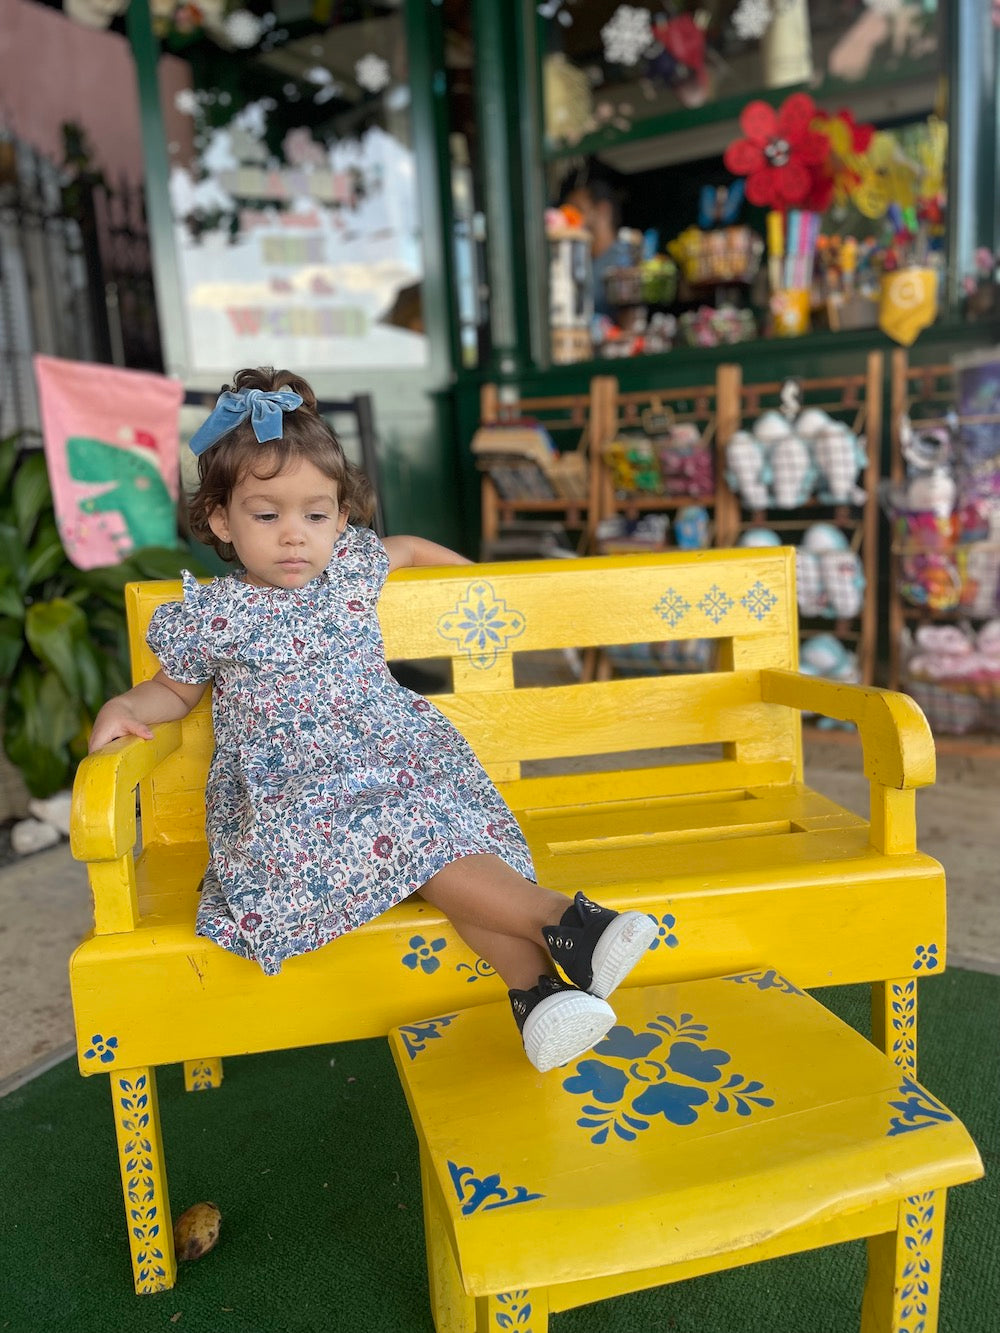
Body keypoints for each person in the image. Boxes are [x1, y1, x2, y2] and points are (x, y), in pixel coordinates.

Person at [88, 367, 656, 1073]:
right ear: (220, 520)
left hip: (393, 760)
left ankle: (535, 996)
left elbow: (411, 549)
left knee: (439, 826)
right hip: (301, 800)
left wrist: (485, 586)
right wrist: (122, 706)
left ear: (340, 516)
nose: (295, 536)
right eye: (268, 516)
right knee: (416, 832)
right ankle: (567, 922)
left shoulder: (350, 570)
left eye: (316, 515)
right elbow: (171, 693)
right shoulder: (215, 614)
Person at [562, 175, 634, 318]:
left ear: (603, 210)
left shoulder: (626, 258)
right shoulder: (574, 263)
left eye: (578, 210)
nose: (569, 220)